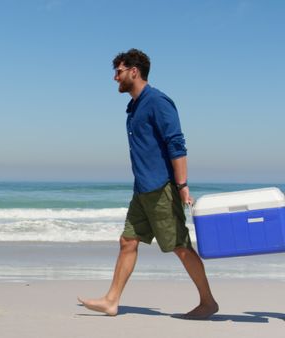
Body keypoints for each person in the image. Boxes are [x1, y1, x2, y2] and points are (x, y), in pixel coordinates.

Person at [78, 49, 218, 320]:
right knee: (128, 241)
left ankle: (208, 301)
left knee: (179, 246)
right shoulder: (133, 107)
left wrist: (182, 186)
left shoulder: (157, 101)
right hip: (142, 189)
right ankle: (111, 300)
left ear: (134, 71)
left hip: (161, 188)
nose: (114, 78)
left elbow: (176, 144)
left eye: (118, 71)